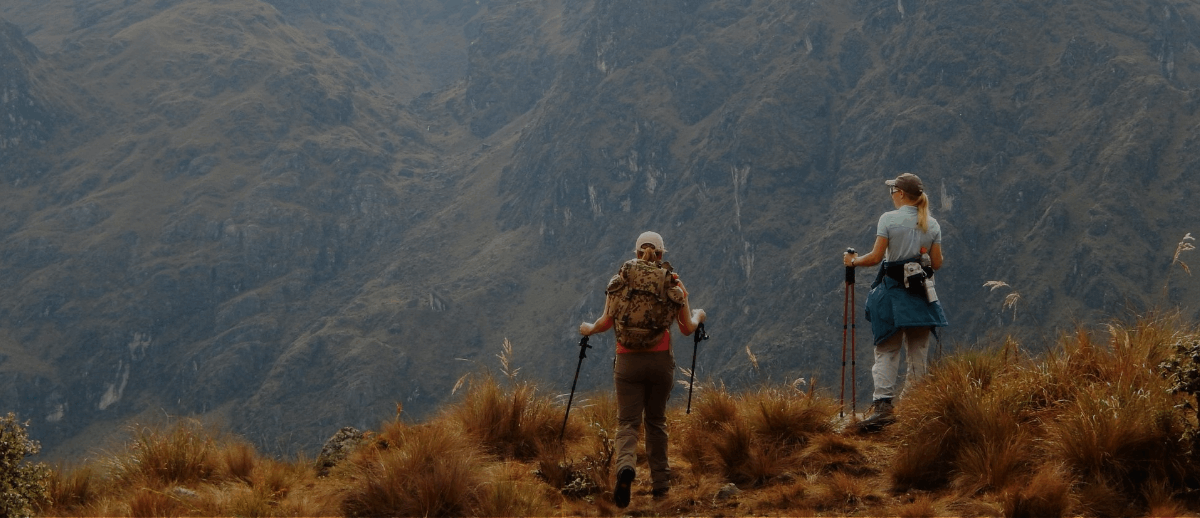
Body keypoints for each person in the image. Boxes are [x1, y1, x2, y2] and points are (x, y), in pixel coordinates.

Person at [579, 231, 706, 507]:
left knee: (627, 423)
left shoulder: (621, 280)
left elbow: (605, 322)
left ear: (637, 253)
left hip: (627, 362)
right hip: (660, 363)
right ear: (661, 254)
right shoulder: (673, 281)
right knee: (656, 422)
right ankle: (661, 486)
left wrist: (587, 329)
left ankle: (626, 468)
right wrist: (699, 316)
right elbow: (687, 328)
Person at [843, 173, 948, 432]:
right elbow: (936, 263)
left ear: (900, 193)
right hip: (921, 295)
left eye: (892, 190)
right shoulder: (932, 224)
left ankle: (883, 407)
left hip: (892, 294)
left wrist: (853, 262)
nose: (891, 194)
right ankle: (914, 407)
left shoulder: (888, 220)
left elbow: (875, 257)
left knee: (887, 349)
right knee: (918, 353)